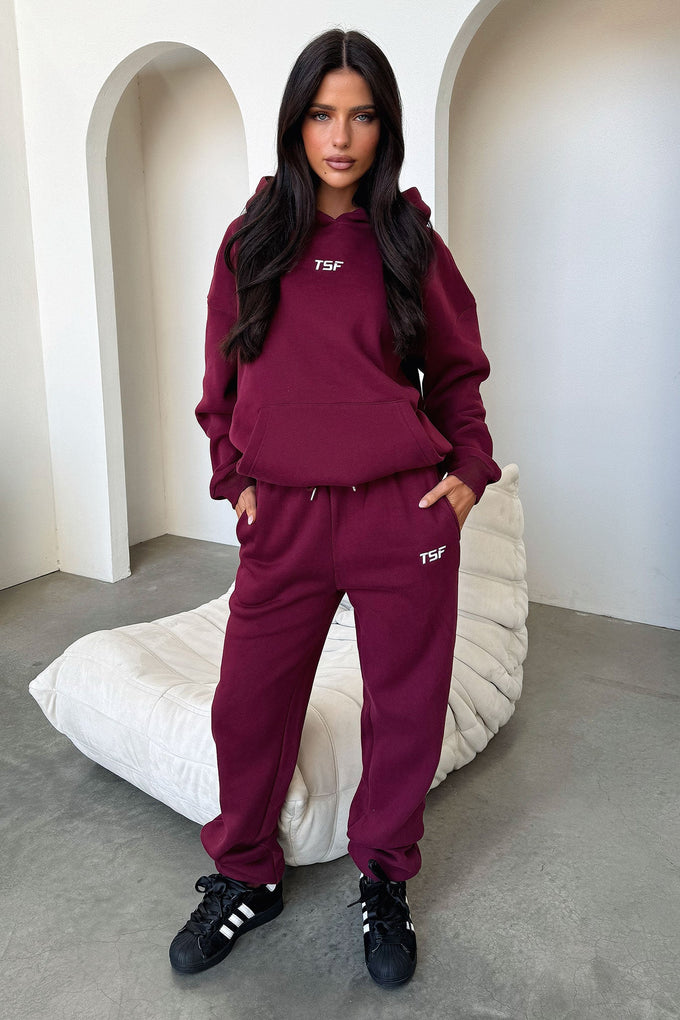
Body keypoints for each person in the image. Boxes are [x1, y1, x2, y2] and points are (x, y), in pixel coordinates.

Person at [169, 27, 501, 988]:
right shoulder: (253, 242)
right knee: (247, 705)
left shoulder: (409, 243)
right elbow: (222, 379)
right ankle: (246, 874)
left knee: (406, 710)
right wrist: (236, 480)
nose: (341, 137)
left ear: (384, 127)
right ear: (297, 124)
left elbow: (459, 374)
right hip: (285, 518)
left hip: (401, 515)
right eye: (322, 114)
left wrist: (467, 478)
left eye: (361, 116)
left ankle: (385, 877)